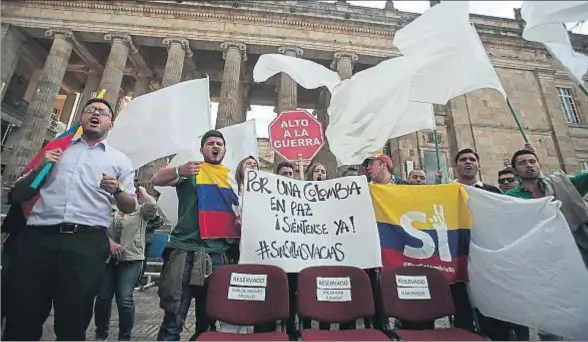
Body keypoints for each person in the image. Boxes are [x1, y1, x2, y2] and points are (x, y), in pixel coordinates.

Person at [3, 97, 137, 341]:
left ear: (111, 123)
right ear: (82, 118)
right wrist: (40, 167)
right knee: (22, 315)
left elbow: (130, 205)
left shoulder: (119, 160)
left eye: (103, 112)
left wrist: (117, 189)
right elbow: (23, 193)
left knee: (73, 321)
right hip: (39, 239)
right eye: (90, 110)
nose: (96, 114)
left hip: (85, 243)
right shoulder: (57, 150)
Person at [151, 130, 233, 341]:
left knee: (209, 319)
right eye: (210, 143)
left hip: (217, 253)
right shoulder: (191, 171)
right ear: (202, 149)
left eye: (220, 143)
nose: (216, 146)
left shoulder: (230, 178)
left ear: (224, 150)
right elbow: (155, 179)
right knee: (174, 317)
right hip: (185, 251)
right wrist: (179, 169)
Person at [505, 148, 588, 341]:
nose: (529, 165)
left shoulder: (562, 185)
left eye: (532, 161)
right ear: (515, 170)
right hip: (542, 262)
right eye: (523, 163)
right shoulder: (513, 197)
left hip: (574, 254)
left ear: (539, 164)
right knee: (549, 317)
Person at [94, 185, 158, 341]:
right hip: (108, 258)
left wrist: (144, 193)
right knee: (103, 297)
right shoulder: (110, 208)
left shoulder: (140, 210)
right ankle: (100, 334)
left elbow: (152, 207)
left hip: (132, 259)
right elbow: (98, 227)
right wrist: (110, 243)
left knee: (124, 298)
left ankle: (124, 337)